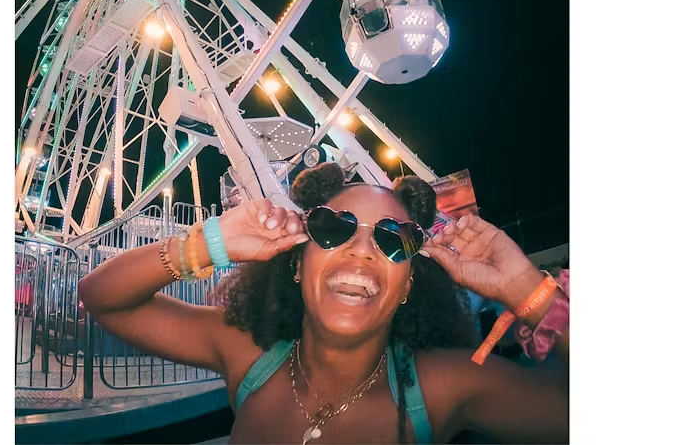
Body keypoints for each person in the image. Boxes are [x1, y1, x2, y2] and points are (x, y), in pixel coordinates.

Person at [79, 163, 568, 444]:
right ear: (298, 263)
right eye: (334, 228)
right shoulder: (248, 355)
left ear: (407, 286)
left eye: (394, 240)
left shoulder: (445, 387)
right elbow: (103, 298)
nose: (362, 250)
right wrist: (208, 243)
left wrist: (528, 290)